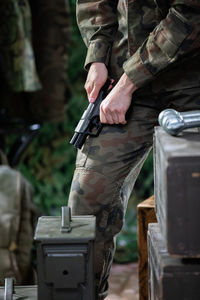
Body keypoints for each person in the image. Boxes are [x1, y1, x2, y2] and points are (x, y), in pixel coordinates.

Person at [68, 1, 200, 299]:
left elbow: (191, 13)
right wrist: (98, 55)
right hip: (126, 87)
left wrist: (127, 84)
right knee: (87, 199)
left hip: (191, 85)